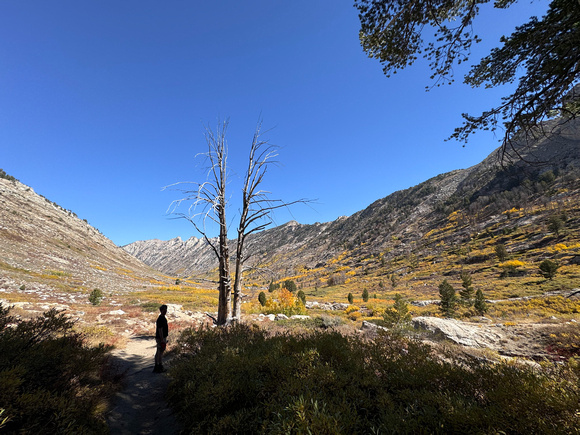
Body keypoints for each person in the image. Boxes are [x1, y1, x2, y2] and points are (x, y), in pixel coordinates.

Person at [153, 304, 168, 373]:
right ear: (161, 310)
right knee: (160, 351)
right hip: (160, 338)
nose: (165, 311)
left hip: (162, 337)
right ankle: (158, 366)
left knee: (160, 351)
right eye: (164, 310)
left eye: (166, 310)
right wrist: (162, 339)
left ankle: (158, 365)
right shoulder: (160, 319)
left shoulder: (163, 318)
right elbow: (160, 329)